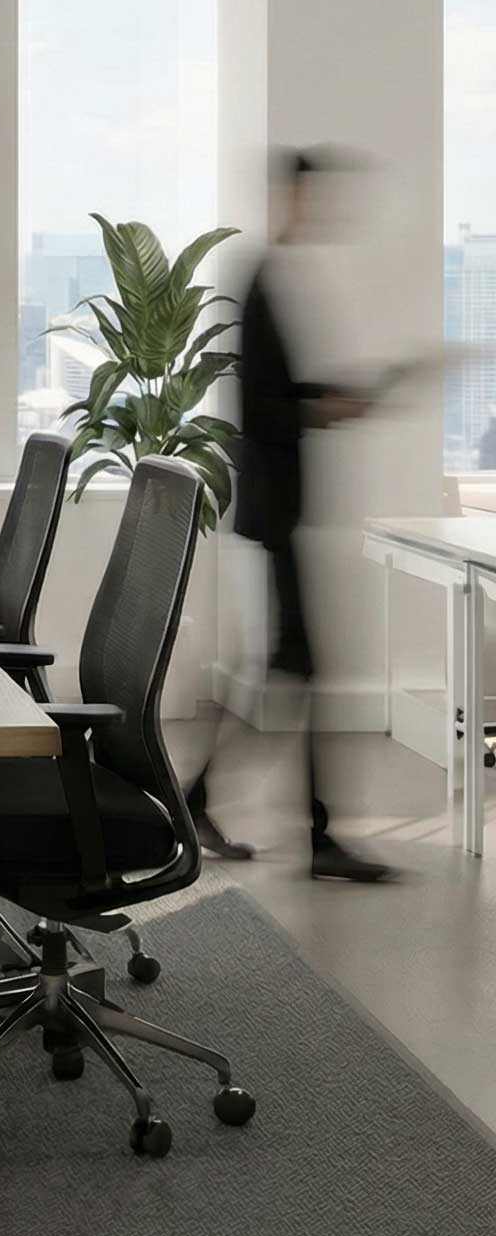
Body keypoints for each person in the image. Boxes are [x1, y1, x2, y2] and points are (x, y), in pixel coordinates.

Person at [187, 148, 394, 885]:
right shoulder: (263, 277)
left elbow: (282, 391)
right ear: (291, 197)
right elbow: (262, 406)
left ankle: (211, 801)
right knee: (297, 666)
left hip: (281, 509)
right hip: (275, 510)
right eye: (314, 197)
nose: (322, 211)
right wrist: (327, 407)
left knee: (290, 668)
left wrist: (332, 397)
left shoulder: (272, 277)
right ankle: (312, 834)